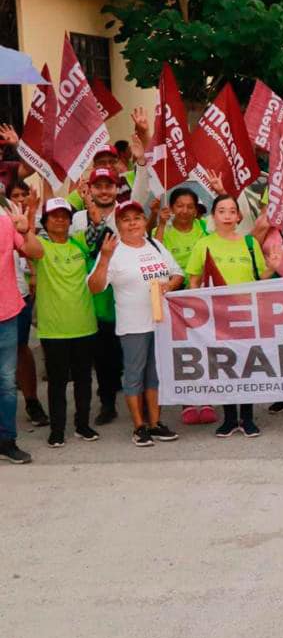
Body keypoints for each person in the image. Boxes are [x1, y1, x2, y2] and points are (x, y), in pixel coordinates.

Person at [87, 200, 185, 447]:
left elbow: (178, 273)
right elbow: (95, 287)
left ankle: (155, 423)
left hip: (159, 323)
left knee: (154, 376)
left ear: (144, 221)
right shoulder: (114, 250)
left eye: (137, 218)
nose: (132, 223)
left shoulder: (155, 245)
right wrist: (105, 258)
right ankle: (139, 426)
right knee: (134, 377)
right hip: (133, 326)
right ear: (119, 224)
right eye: (126, 219)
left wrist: (169, 285)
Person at [184, 194, 283, 438]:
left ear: (238, 216)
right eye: (221, 211)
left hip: (247, 316)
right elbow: (194, 279)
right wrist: (198, 308)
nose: (227, 215)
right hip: (217, 317)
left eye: (231, 211)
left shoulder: (249, 243)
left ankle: (247, 418)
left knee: (247, 366)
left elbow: (260, 277)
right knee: (224, 367)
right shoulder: (203, 244)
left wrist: (272, 266)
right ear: (213, 216)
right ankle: (229, 418)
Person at [26, 198, 100, 448]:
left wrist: (92, 210)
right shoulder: (42, 247)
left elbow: (100, 235)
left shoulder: (79, 243)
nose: (60, 219)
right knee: (57, 383)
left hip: (84, 324)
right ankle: (57, 430)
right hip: (54, 329)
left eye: (64, 215)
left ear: (71, 220)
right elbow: (28, 247)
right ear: (45, 221)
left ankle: (82, 425)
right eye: (54, 216)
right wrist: (29, 220)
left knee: (83, 380)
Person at [73, 166, 124, 426]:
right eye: (99, 186)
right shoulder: (77, 219)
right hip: (94, 296)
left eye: (109, 186)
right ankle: (107, 403)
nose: (104, 191)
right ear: (90, 190)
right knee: (102, 354)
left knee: (122, 351)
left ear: (117, 188)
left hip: (124, 295)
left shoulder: (126, 214)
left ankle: (131, 392)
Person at [4, 180, 46, 427]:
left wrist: (24, 229)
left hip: (13, 297)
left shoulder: (7, 208)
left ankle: (31, 401)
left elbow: (33, 251)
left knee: (19, 351)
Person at [0, 195, 38, 463]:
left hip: (7, 314)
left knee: (6, 385)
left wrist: (26, 229)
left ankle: (7, 440)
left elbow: (36, 253)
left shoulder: (6, 220)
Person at [154, 187, 208, 279]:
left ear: (195, 210)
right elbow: (155, 257)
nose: (185, 211)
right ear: (171, 208)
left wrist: (221, 192)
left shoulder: (205, 225)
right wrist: (162, 224)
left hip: (200, 286)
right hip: (173, 287)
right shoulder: (160, 230)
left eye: (190, 207)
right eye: (179, 206)